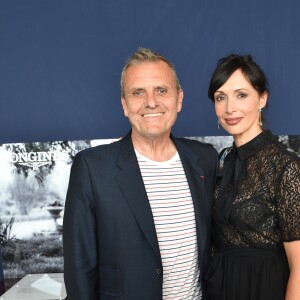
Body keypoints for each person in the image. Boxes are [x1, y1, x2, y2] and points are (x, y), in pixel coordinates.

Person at [63, 47, 218, 300]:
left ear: (179, 99)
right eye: (138, 93)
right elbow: (80, 270)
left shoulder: (204, 158)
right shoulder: (92, 167)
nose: (151, 102)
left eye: (161, 90)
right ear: (125, 105)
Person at [205, 54, 300, 300]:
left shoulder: (286, 167)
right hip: (219, 287)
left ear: (262, 98)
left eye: (241, 95)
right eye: (220, 98)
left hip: (263, 288)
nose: (229, 108)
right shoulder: (221, 161)